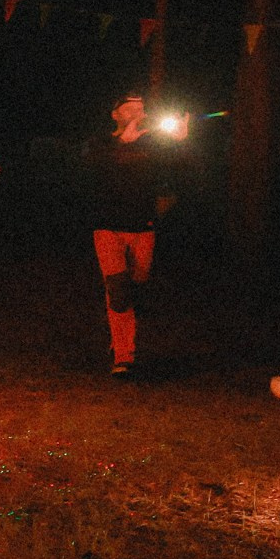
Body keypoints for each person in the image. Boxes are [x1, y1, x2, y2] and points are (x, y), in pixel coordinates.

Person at [85, 90, 173, 377]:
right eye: (130, 108)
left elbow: (172, 175)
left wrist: (181, 144)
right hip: (108, 227)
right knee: (119, 291)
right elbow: (94, 168)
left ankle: (121, 340)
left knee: (137, 287)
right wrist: (123, 143)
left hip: (142, 228)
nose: (138, 113)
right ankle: (124, 356)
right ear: (115, 114)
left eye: (141, 108)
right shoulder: (101, 144)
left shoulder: (154, 144)